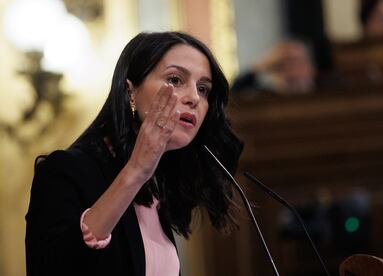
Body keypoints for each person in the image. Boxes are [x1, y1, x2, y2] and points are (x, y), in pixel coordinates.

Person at [25, 31, 243, 276]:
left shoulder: (158, 188)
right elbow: (56, 266)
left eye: (203, 89)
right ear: (131, 92)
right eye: (175, 79)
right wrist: (136, 171)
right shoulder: (65, 171)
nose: (194, 97)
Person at [231, 40, 316, 95]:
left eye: (298, 62)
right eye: (284, 64)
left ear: (310, 67)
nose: (293, 70)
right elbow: (234, 93)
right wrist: (261, 66)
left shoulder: (325, 93)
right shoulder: (267, 97)